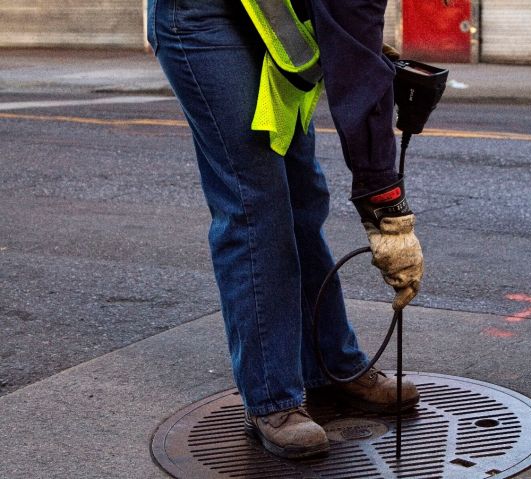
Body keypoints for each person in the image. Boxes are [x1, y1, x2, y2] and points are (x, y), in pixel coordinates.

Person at [147, 0, 423, 459]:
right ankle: (272, 398)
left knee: (303, 193)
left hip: (273, 20)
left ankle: (329, 365)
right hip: (199, 15)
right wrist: (386, 208)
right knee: (255, 202)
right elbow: (352, 42)